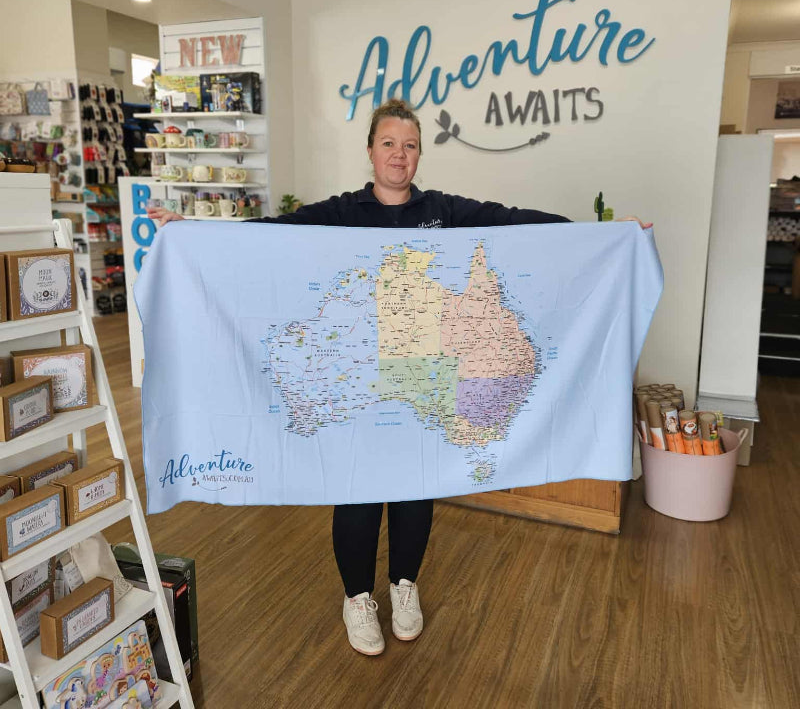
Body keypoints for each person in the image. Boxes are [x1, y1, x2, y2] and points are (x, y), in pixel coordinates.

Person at [148, 98, 651, 657]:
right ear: (370, 150)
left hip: (424, 375)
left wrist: (606, 235)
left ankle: (404, 586)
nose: (399, 154)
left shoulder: (443, 211)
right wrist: (193, 232)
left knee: (417, 487)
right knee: (357, 492)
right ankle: (357, 598)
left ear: (419, 155)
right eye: (389, 143)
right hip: (359, 377)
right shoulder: (343, 212)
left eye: (410, 145)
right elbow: (268, 235)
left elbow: (513, 221)